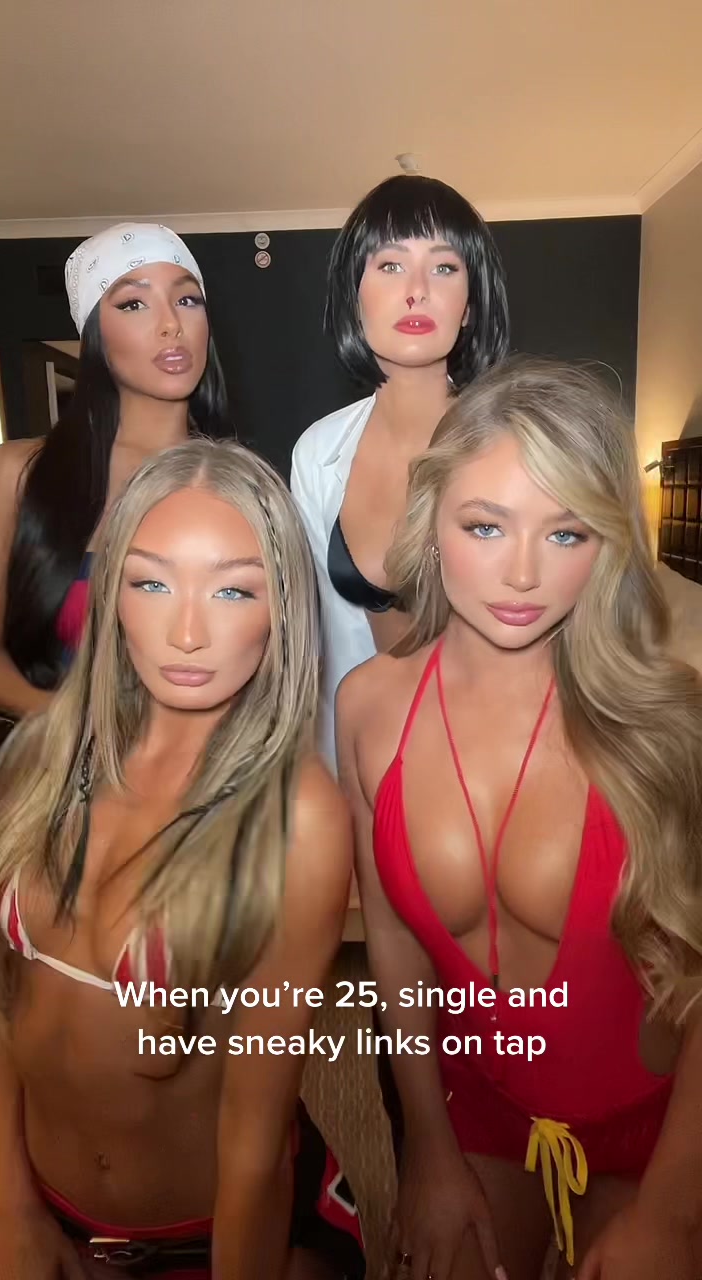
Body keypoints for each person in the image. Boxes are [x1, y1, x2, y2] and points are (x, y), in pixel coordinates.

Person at [336, 356, 702, 1280]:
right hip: (479, 1112)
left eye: (566, 531)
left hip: (655, 1131)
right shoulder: (368, 706)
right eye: (486, 525)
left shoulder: (668, 720)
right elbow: (394, 942)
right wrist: (426, 1142)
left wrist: (670, 1209)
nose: (525, 573)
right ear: (431, 521)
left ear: (605, 543)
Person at [0, 438, 365, 1280]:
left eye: (233, 589)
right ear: (109, 593)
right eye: (152, 583)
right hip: (35, 1210)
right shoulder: (39, 761)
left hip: (204, 1240)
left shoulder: (295, 818)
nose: (187, 632)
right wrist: (8, 1209)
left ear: (280, 609)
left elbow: (255, 1139)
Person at [0, 222, 232, 799]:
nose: (170, 324)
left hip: (203, 793)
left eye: (187, 299)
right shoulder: (17, 474)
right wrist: (65, 722)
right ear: (94, 331)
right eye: (134, 303)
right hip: (57, 791)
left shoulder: (236, 489)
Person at [291, 173, 510, 773]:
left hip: (482, 774)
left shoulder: (513, 447)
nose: (417, 291)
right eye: (390, 265)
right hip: (353, 769)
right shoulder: (317, 453)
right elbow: (310, 638)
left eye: (444, 267)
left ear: (470, 304)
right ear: (354, 294)